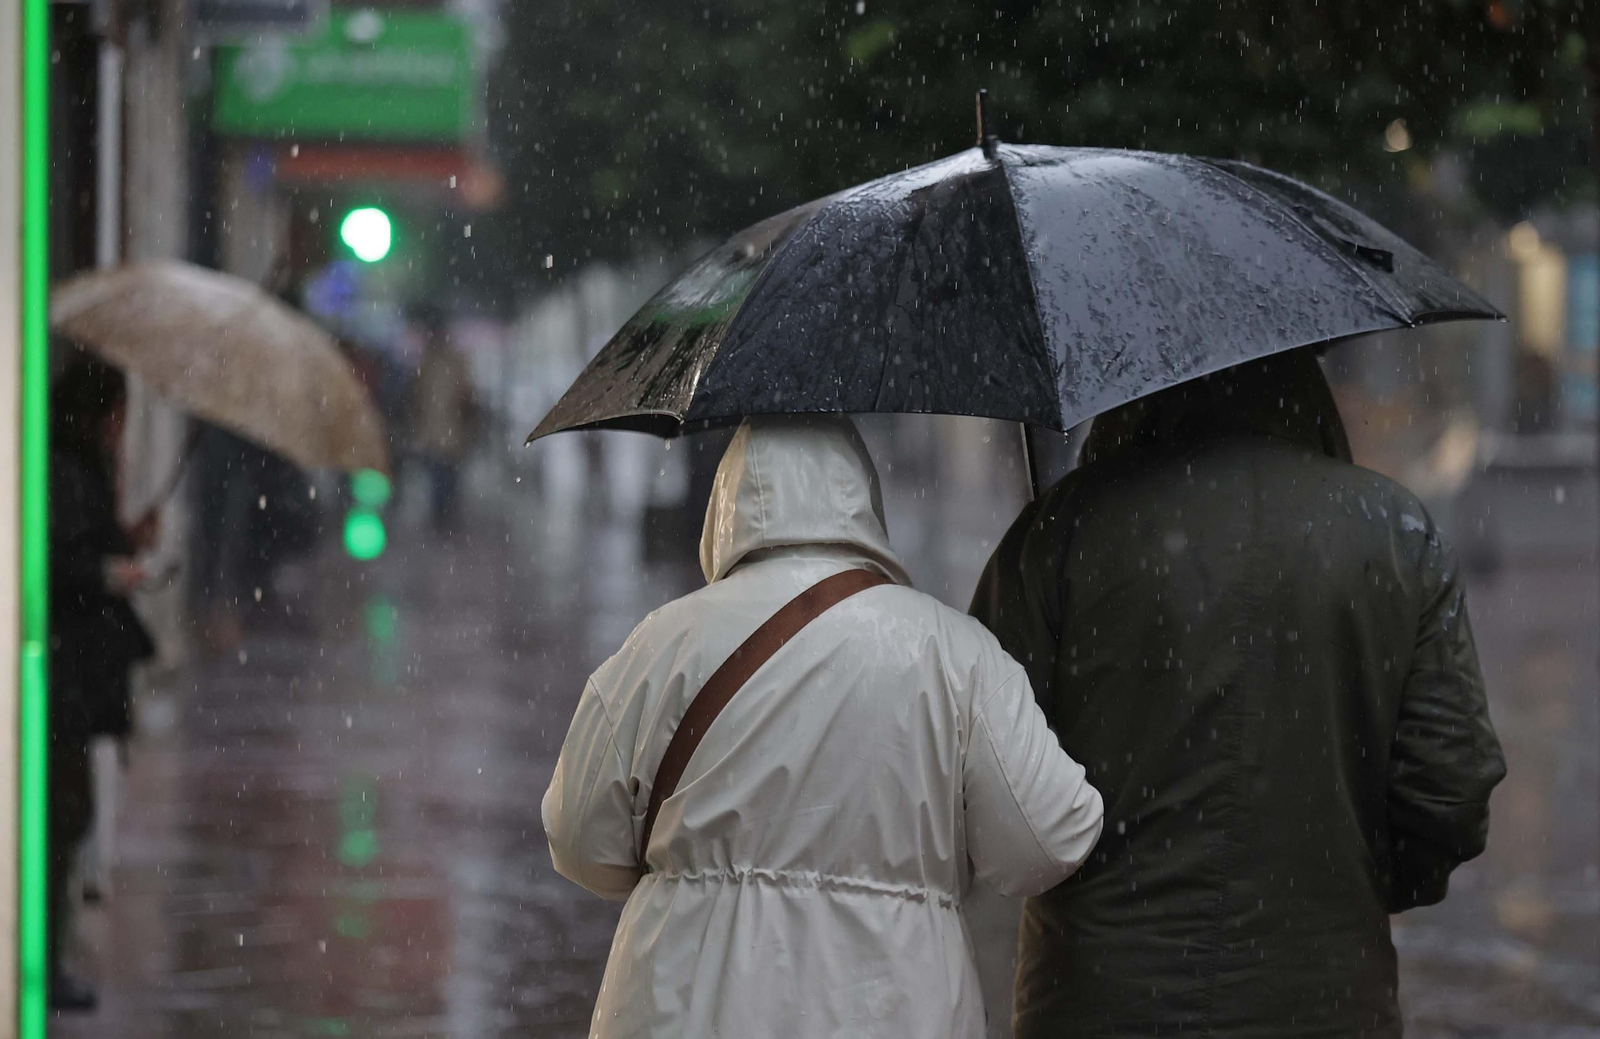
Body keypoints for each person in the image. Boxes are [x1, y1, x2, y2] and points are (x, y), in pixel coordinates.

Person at [971, 350, 1507, 1039]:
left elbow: (982, 774)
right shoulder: (1393, 532)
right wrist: (1348, 884)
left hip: (1102, 1001)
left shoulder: (1063, 532)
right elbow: (1452, 790)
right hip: (1323, 998)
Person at [543, 415, 1104, 1038]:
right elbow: (1048, 839)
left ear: (727, 509)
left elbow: (576, 840)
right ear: (862, 497)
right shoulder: (954, 651)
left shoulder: (660, 644)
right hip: (893, 1009)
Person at [48, 357, 157, 1011]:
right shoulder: (66, 471)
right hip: (65, 678)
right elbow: (66, 561)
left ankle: (51, 949)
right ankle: (45, 954)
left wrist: (129, 539)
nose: (122, 427)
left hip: (76, 680)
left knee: (72, 810)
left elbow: (87, 543)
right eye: (117, 413)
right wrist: (113, 572)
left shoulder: (80, 469)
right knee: (65, 813)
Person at [408, 309, 477, 533]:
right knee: (445, 478)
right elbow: (467, 397)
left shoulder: (428, 362)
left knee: (440, 478)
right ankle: (444, 516)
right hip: (449, 435)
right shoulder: (454, 362)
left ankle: (441, 517)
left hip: (437, 434)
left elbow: (417, 399)